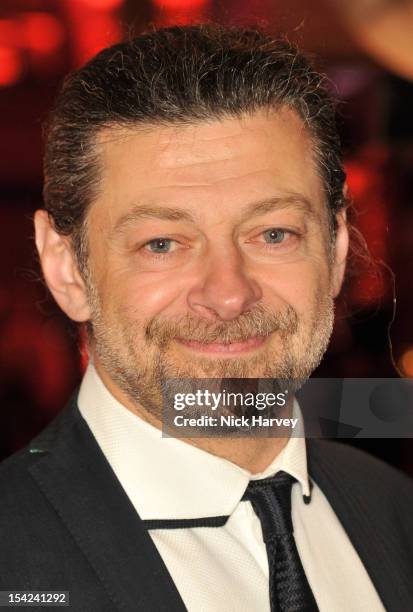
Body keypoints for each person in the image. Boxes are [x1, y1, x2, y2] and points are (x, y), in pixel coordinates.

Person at [0, 24, 412, 612]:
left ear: (337, 247)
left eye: (274, 233)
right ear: (67, 268)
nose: (227, 296)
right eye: (162, 243)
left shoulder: (396, 513)